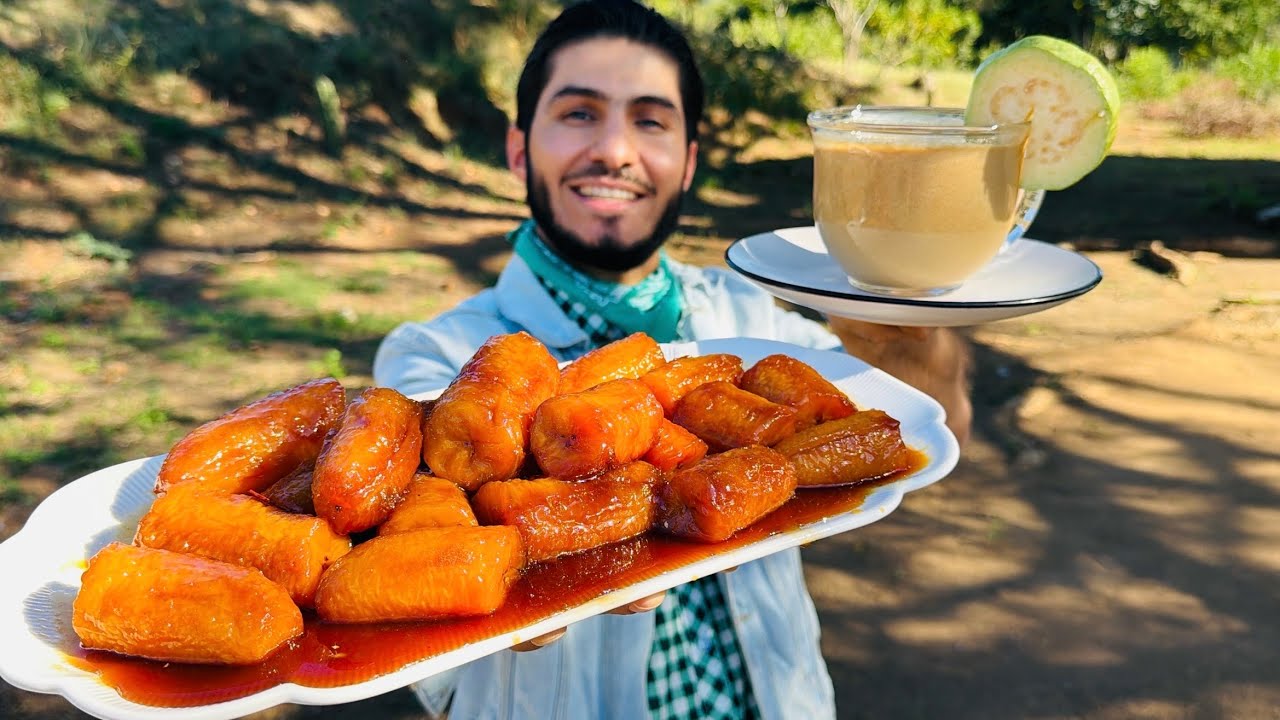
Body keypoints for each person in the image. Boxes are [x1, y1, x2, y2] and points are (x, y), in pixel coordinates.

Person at [373, 1, 972, 717]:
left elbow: (916, 428)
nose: (616, 151)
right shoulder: (432, 356)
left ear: (687, 162)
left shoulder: (748, 320)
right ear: (517, 148)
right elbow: (418, 552)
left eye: (651, 121)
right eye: (579, 114)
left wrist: (907, 316)